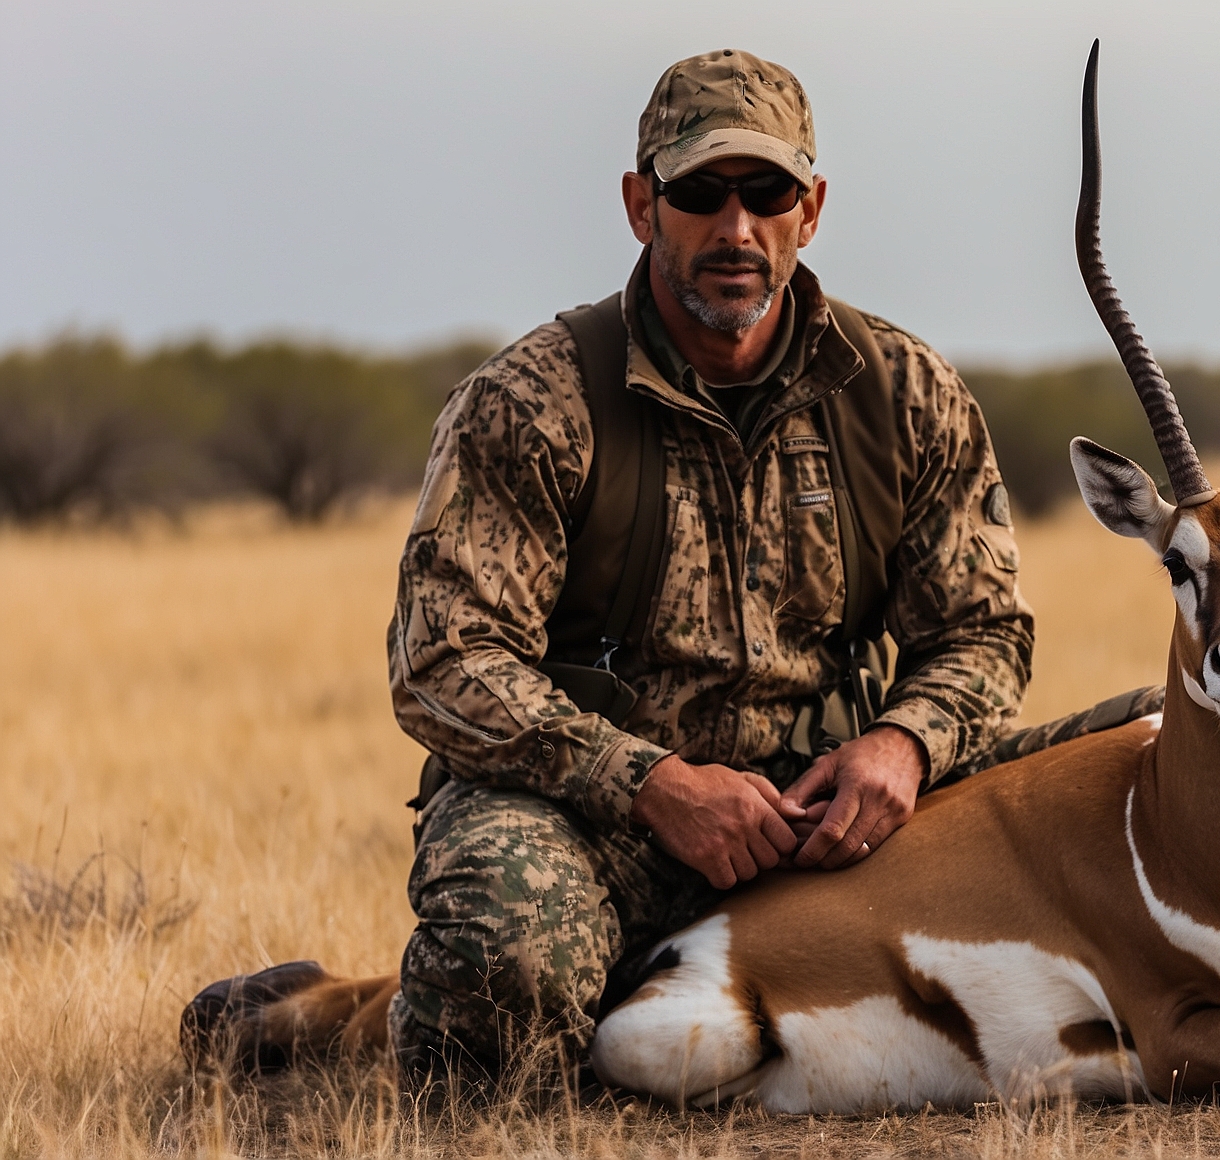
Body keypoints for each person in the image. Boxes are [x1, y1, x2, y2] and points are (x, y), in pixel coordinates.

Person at [382, 48, 1067, 1090]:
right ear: (639, 204)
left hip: (839, 826)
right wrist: (651, 783)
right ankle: (370, 1020)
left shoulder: (905, 393)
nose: (734, 228)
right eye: (699, 192)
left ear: (812, 207)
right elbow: (443, 659)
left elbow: (983, 629)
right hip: (597, 823)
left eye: (767, 193)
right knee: (504, 971)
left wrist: (901, 743)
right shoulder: (532, 401)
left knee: (1163, 755)